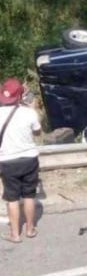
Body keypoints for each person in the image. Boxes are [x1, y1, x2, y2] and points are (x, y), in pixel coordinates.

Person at [0, 78, 42, 243]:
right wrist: (31, 108)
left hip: (7, 161)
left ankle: (15, 234)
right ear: (20, 95)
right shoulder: (29, 113)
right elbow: (38, 134)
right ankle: (30, 229)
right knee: (29, 195)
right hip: (29, 159)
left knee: (12, 198)